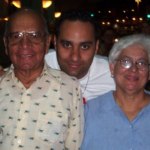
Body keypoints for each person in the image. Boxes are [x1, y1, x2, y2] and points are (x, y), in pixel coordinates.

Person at [0, 9, 84, 150]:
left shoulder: (70, 88)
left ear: (46, 43)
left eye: (34, 36)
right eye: (16, 36)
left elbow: (74, 147)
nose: (25, 45)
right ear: (6, 45)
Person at [81, 34, 150, 150]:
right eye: (125, 62)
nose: (133, 69)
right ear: (112, 68)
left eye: (142, 63)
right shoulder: (88, 112)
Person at [45, 10, 115, 102]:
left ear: (96, 46)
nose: (75, 57)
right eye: (67, 45)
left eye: (84, 46)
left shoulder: (113, 74)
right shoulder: (38, 64)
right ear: (55, 42)